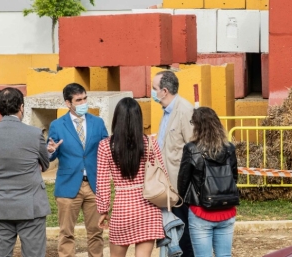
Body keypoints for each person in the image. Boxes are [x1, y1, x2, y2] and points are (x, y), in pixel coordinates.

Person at [0, 88, 51, 257]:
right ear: (21, 107)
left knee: (0, 254)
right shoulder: (34, 134)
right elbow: (45, 163)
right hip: (30, 206)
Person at [96, 97, 165, 257]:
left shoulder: (105, 146)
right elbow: (162, 174)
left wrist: (103, 210)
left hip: (123, 210)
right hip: (149, 208)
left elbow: (102, 182)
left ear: (116, 119)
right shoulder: (150, 143)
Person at [47, 83, 109, 257]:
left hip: (94, 186)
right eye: (78, 100)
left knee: (96, 233)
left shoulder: (98, 122)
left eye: (85, 98)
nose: (83, 103)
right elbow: (50, 153)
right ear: (68, 103)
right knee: (66, 233)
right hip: (67, 186)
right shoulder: (57, 125)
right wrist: (50, 150)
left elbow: (107, 150)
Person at [177, 107, 239, 257]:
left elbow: (182, 182)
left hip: (200, 212)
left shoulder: (191, 149)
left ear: (197, 126)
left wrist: (189, 199)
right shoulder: (229, 148)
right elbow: (234, 177)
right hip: (227, 210)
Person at [151, 70, 196, 256]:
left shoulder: (184, 110)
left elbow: (193, 148)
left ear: (164, 90)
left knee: (184, 234)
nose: (152, 92)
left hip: (180, 187)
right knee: (172, 232)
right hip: (166, 186)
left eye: (154, 88)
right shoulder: (166, 112)